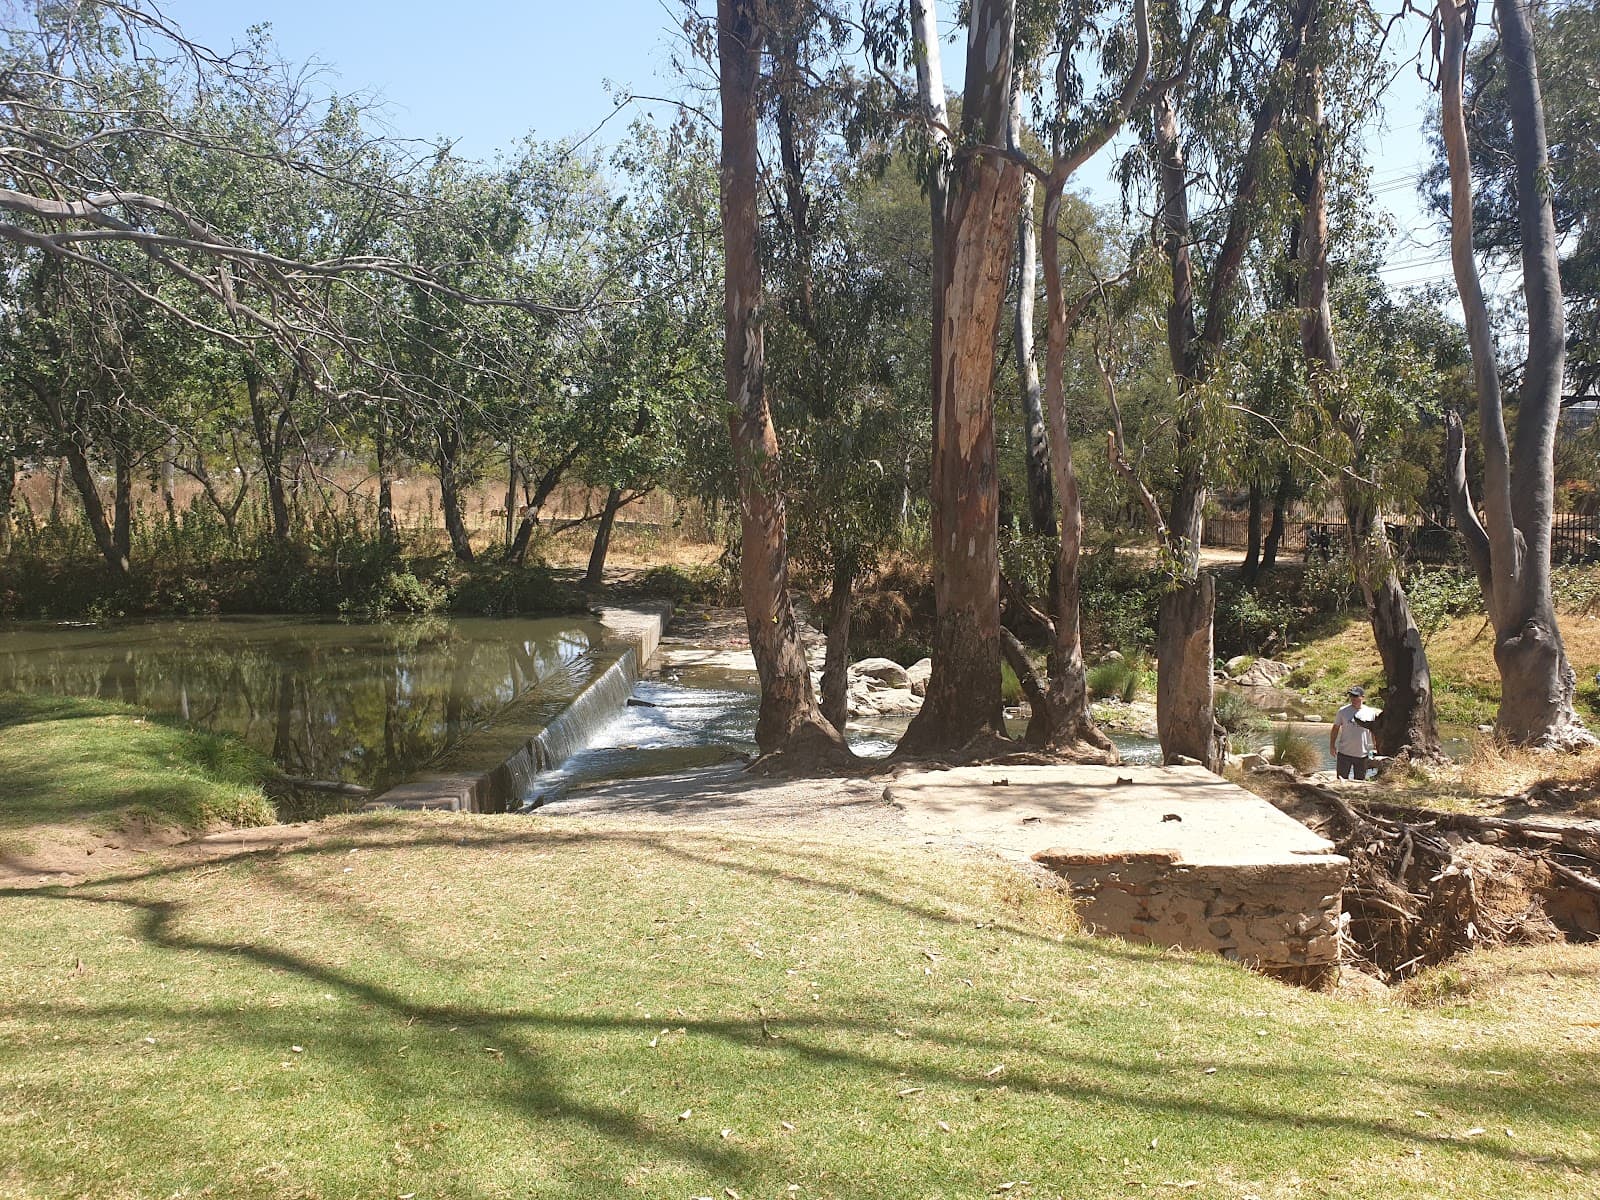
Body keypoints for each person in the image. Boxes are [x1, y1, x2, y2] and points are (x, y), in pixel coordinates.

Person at [1330, 685, 1375, 780]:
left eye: (1355, 696)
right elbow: (1335, 728)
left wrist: (1375, 748)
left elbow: (1374, 731)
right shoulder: (1343, 711)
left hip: (1362, 754)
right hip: (1344, 753)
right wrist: (1332, 745)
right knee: (1341, 780)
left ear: (1362, 697)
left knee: (1360, 782)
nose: (1353, 699)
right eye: (1351, 696)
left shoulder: (1370, 712)